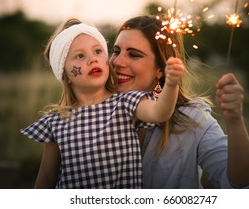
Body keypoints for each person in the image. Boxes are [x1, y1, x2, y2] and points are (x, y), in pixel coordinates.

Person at [20, 18, 185, 188]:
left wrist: (171, 84)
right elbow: (46, 178)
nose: (92, 59)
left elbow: (160, 112)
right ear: (65, 74)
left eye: (98, 51)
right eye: (80, 56)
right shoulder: (56, 122)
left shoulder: (126, 103)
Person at [110, 15, 249, 188]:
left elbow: (242, 188)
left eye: (134, 55)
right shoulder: (92, 113)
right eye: (116, 51)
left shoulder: (192, 119)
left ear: (162, 68)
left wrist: (235, 121)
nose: (117, 61)